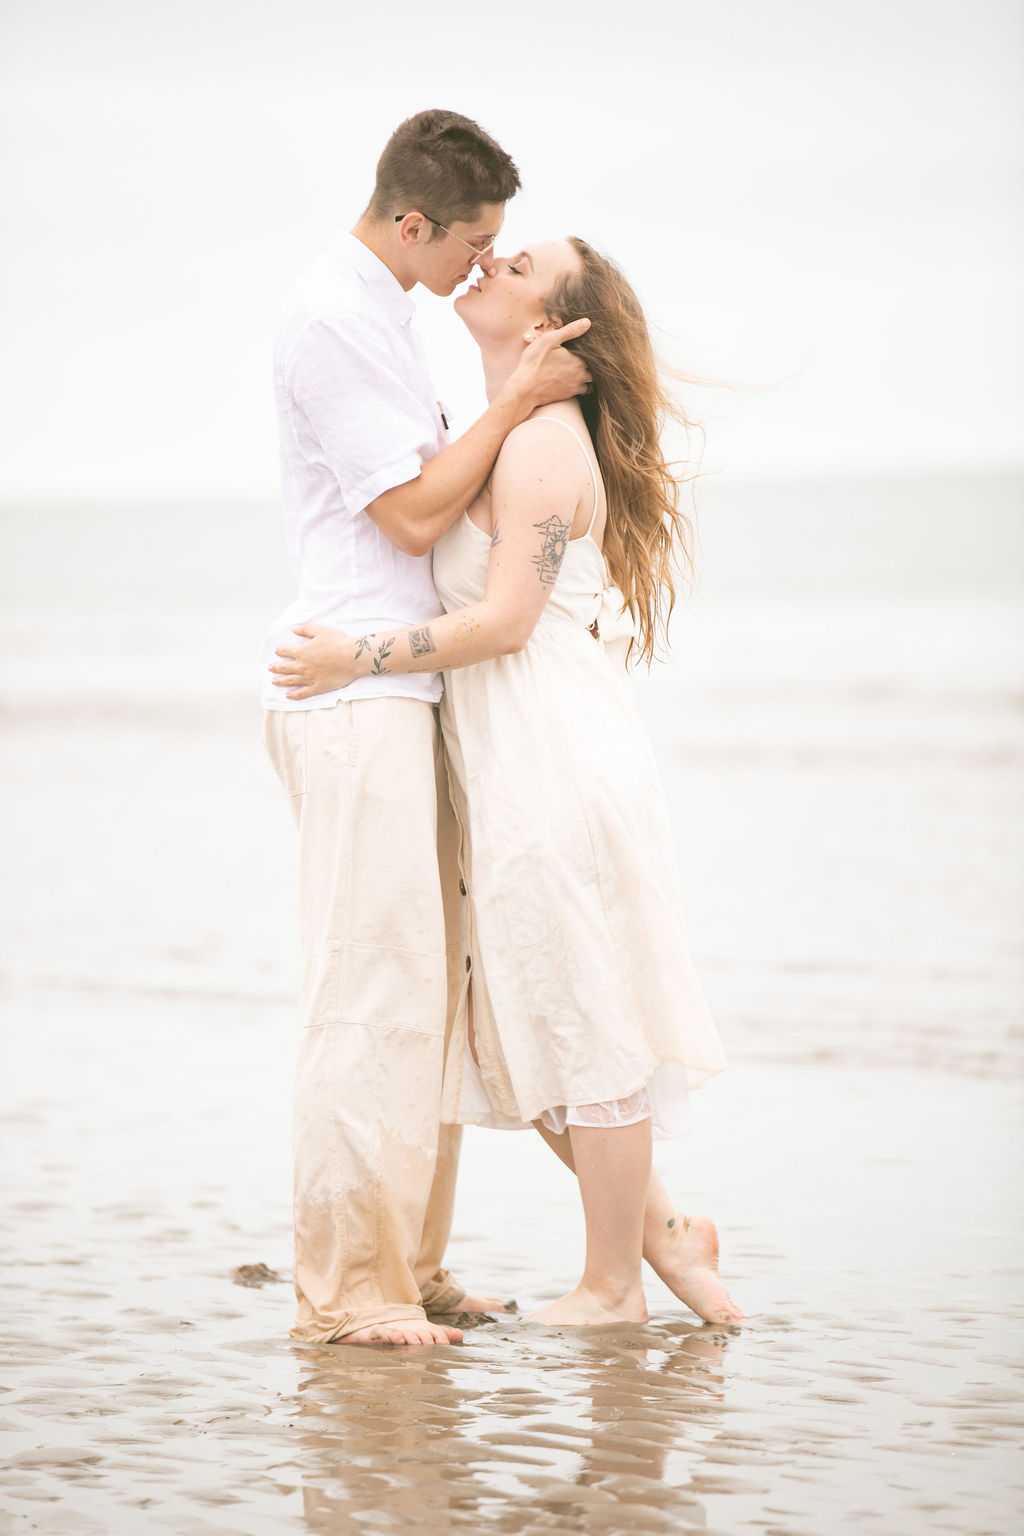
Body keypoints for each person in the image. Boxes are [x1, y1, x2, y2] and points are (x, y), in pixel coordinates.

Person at [270, 236, 744, 1328]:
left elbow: (505, 622)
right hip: (509, 758)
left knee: (584, 1018)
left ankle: (612, 1286)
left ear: (552, 325)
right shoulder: (500, 434)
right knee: (521, 1018)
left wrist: (355, 657)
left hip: (554, 756)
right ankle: (666, 1230)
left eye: (519, 265)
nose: (490, 263)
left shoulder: (538, 449)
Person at [259, 111, 591, 1348]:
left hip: (402, 688)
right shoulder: (335, 320)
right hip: (349, 690)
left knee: (432, 994)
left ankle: (414, 1262)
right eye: (475, 242)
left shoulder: (385, 311)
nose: (480, 265)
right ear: (415, 224)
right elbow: (405, 516)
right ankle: (350, 1292)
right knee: (371, 993)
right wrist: (510, 406)